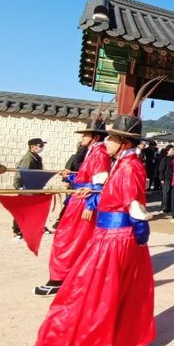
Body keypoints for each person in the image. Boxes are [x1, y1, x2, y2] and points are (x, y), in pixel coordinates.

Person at [0, 113, 155, 346]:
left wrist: (137, 238)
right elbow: (117, 196)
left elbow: (136, 210)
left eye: (112, 138)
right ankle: (130, 345)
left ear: (124, 142)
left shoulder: (129, 167)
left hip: (114, 239)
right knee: (120, 296)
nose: (106, 143)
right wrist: (94, 194)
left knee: (77, 296)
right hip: (115, 237)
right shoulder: (124, 163)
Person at [33, 116, 111, 297]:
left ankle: (59, 279)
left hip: (84, 202)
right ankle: (68, 276)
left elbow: (99, 183)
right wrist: (70, 176)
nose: (82, 138)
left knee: (68, 239)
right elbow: (87, 179)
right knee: (71, 238)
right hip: (79, 199)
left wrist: (90, 206)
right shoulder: (92, 152)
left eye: (86, 135)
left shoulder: (99, 154)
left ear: (95, 137)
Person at [12, 138, 48, 239]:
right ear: (32, 147)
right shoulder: (29, 158)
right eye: (40, 145)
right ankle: (17, 231)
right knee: (23, 209)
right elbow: (22, 174)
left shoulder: (37, 158)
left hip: (35, 187)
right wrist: (20, 188)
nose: (42, 147)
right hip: (26, 187)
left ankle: (39, 227)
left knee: (39, 208)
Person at [157, 145, 174, 215]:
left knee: (171, 193)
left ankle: (170, 208)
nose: (173, 151)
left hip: (173, 178)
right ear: (168, 151)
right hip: (166, 178)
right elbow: (161, 169)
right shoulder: (165, 159)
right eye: (172, 149)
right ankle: (164, 208)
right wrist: (161, 178)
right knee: (166, 193)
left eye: (173, 149)